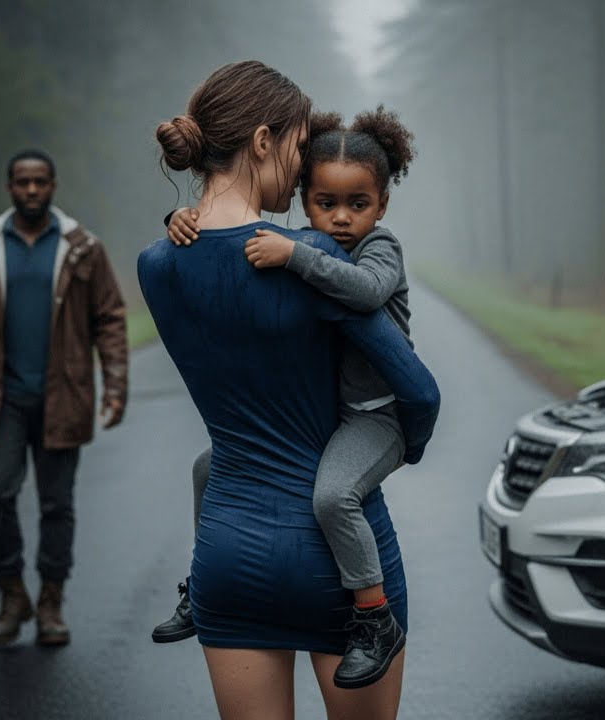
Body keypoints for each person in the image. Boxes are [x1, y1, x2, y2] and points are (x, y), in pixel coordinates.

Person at [138, 61, 439, 719]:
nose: (303, 173)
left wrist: (181, 220)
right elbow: (417, 389)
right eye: (300, 149)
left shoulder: (158, 263)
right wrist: (400, 445)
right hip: (334, 569)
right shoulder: (314, 259)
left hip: (224, 554)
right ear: (264, 141)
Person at [0, 149, 128, 648]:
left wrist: (115, 384)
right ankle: (12, 594)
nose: (31, 190)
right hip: (1, 397)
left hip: (64, 395)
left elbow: (110, 318)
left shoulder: (82, 247)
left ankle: (51, 601)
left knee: (57, 505)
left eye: (40, 182)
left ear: (54, 184)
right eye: (22, 182)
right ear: (9, 187)